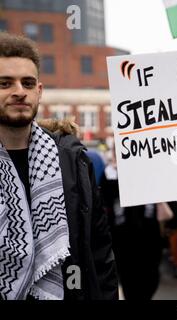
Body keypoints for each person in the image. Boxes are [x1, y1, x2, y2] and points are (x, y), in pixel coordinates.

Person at [0, 32, 117, 300]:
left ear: (39, 92)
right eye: (5, 83)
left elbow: (99, 250)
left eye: (27, 83)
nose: (19, 91)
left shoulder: (72, 160)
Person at [100, 155, 162, 300]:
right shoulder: (110, 174)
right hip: (123, 238)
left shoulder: (149, 171)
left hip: (148, 235)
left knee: (150, 279)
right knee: (129, 281)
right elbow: (105, 199)